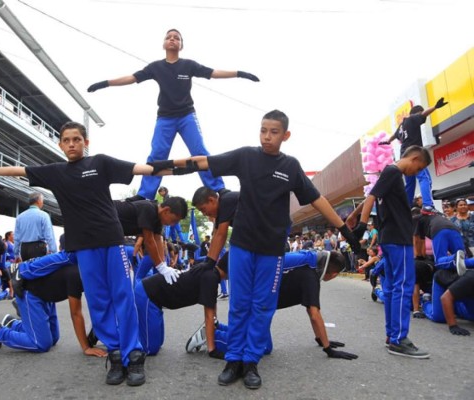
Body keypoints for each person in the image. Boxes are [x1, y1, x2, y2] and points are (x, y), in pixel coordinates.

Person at [152, 110, 362, 389]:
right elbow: (203, 161)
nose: (266, 136)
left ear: (285, 135)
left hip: (272, 251)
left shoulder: (291, 166)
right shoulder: (246, 157)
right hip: (242, 247)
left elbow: (317, 200)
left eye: (274, 132)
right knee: (239, 304)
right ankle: (234, 360)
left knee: (262, 307)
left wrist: (345, 230)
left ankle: (251, 361)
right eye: (263, 130)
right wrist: (163, 165)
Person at [0, 121, 176, 387]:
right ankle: (114, 354)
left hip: (111, 241)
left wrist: (177, 167)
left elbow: (142, 168)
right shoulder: (55, 172)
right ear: (61, 144)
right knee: (99, 302)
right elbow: (19, 169)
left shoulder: (100, 163)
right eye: (66, 140)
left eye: (77, 139)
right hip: (83, 247)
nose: (72, 144)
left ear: (85, 142)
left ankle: (133, 356)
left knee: (123, 296)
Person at [87, 28, 259, 200]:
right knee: (157, 155)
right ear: (164, 44)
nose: (172, 39)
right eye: (168, 37)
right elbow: (131, 78)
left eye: (176, 38)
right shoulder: (155, 67)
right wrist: (105, 83)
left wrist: (240, 74)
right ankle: (144, 194)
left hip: (187, 116)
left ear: (181, 45)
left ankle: (219, 188)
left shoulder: (188, 65)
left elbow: (213, 73)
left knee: (200, 152)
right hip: (165, 118)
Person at [189, 250, 358, 361]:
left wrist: (322, 340)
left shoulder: (308, 264)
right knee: (262, 347)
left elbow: (310, 310)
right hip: (253, 298)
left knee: (264, 346)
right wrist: (328, 349)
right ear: (334, 273)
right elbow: (314, 313)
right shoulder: (310, 276)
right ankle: (212, 335)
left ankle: (216, 327)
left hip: (255, 296)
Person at [348, 145, 432, 359]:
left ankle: (392, 335)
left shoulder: (390, 173)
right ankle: (398, 339)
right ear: (414, 158)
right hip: (398, 238)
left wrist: (355, 215)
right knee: (403, 287)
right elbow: (372, 197)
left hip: (390, 239)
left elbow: (372, 195)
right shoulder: (394, 171)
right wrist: (361, 224)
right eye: (419, 167)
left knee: (394, 288)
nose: (416, 172)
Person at [0, 262, 106, 356]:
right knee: (41, 344)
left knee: (53, 338)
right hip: (30, 294)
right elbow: (76, 313)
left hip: (47, 297)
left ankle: (13, 324)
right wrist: (86, 348)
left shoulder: (87, 269)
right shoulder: (77, 274)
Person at [379, 98, 448, 211]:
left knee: (410, 184)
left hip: (404, 157)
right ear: (417, 114)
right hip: (414, 156)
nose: (422, 118)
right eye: (420, 115)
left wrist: (387, 141)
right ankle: (427, 205)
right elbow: (424, 114)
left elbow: (394, 135)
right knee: (424, 178)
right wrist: (435, 107)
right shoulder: (412, 119)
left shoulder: (402, 125)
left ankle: (406, 207)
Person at [13, 192, 57, 262]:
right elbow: (49, 236)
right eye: (42, 201)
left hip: (24, 249)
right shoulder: (44, 215)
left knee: (28, 271)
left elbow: (16, 237)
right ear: (39, 201)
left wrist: (16, 254)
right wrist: (53, 251)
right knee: (40, 271)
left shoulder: (20, 217)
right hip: (38, 248)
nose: (42, 203)